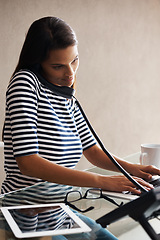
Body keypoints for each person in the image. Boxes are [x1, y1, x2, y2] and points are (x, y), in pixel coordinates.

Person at [1, 16, 160, 239]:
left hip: (58, 211)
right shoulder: (25, 82)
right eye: (58, 66)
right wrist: (103, 181)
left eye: (74, 61)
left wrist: (132, 169)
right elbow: (28, 163)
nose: (70, 74)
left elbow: (92, 151)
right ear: (38, 63)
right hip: (26, 217)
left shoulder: (64, 94)